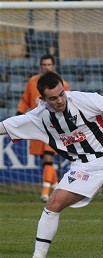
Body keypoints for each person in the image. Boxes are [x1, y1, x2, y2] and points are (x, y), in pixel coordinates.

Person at [4, 71, 103, 258]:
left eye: (61, 94)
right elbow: (7, 126)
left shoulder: (82, 99)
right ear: (42, 99)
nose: (60, 101)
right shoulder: (38, 118)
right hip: (83, 167)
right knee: (53, 203)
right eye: (53, 98)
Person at [17, 54, 70, 203]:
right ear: (41, 66)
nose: (47, 67)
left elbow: (69, 103)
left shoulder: (62, 84)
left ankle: (45, 193)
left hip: (54, 127)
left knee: (48, 158)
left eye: (49, 65)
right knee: (45, 161)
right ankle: (58, 188)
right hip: (36, 126)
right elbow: (25, 100)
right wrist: (18, 115)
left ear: (53, 66)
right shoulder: (33, 82)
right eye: (44, 65)